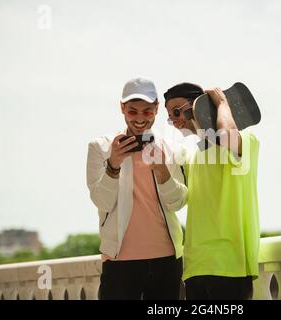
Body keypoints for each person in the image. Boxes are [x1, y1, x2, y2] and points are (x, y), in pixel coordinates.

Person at [86, 77, 187, 300]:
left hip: (167, 260)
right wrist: (113, 164)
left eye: (147, 111)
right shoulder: (100, 147)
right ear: (122, 108)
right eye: (132, 111)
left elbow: (178, 202)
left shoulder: (169, 147)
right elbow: (102, 202)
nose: (140, 118)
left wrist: (162, 172)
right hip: (119, 261)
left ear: (156, 110)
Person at [164, 83, 260, 300]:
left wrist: (222, 103)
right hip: (195, 266)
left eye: (177, 111)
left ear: (197, 105)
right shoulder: (193, 155)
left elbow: (226, 135)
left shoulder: (246, 141)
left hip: (230, 264)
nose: (174, 120)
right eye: (170, 116)